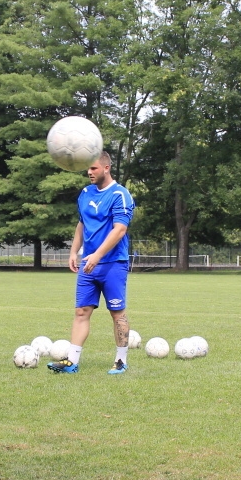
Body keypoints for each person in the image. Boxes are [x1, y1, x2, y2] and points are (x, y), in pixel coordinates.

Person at [48, 151, 136, 376]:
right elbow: (82, 224)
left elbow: (120, 230)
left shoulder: (120, 194)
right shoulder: (85, 193)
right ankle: (72, 361)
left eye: (93, 168)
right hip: (88, 264)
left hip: (113, 264)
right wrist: (74, 251)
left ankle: (121, 361)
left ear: (106, 168)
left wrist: (97, 255)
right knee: (81, 311)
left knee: (117, 313)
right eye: (88, 168)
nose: (89, 172)